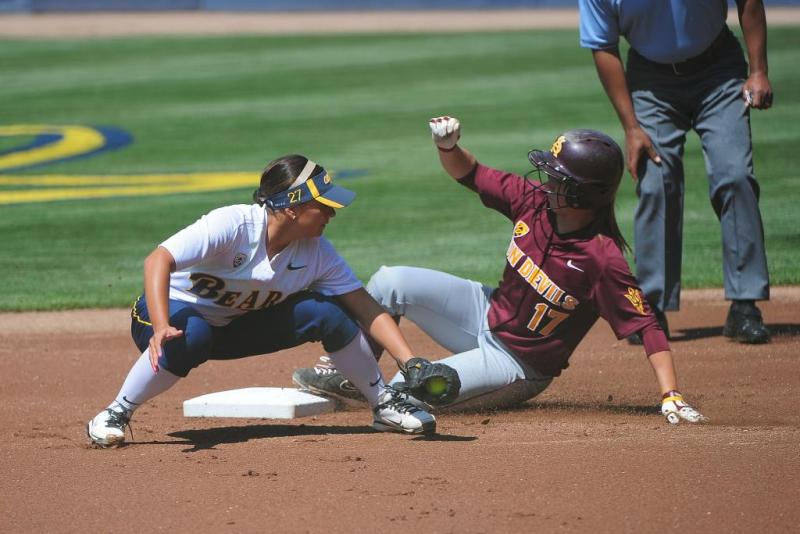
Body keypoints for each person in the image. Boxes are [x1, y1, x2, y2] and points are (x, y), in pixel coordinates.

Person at [293, 116, 705, 425]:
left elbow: (646, 324)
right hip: (483, 311)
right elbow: (470, 173)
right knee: (390, 281)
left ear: (582, 192)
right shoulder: (533, 201)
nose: (546, 181)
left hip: (517, 365)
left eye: (557, 178)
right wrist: (449, 147)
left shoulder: (602, 258)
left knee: (403, 393)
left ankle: (382, 395)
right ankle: (348, 373)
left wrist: (670, 393)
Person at [87, 154, 437, 447]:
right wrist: (162, 325)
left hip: (234, 328)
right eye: (324, 205)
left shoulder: (317, 253)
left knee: (327, 312)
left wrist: (409, 361)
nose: (333, 213)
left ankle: (385, 405)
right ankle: (116, 411)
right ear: (292, 207)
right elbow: (157, 260)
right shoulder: (233, 225)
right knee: (192, 334)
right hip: (163, 318)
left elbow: (364, 306)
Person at [578, 0, 772, 344]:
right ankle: (652, 306)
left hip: (719, 70)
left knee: (735, 175)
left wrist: (757, 70)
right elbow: (603, 46)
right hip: (650, 81)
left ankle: (745, 305)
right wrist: (631, 127)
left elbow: (749, 2)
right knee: (656, 183)